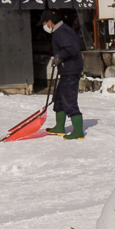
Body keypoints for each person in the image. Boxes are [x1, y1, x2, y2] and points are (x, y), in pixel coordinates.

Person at [40, 9, 85, 140]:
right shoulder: (61, 31)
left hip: (71, 71)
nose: (45, 27)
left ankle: (78, 131)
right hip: (66, 70)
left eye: (44, 24)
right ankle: (59, 126)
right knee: (59, 98)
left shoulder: (62, 32)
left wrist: (59, 56)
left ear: (49, 22)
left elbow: (72, 48)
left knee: (69, 100)